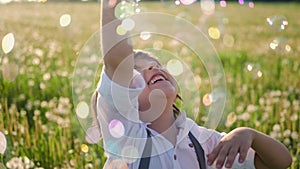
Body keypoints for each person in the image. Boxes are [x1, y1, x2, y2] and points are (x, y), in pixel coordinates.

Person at [91, 0, 293, 168]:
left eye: (156, 65)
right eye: (137, 73)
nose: (152, 69)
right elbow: (117, 61)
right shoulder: (129, 138)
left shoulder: (203, 142)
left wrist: (249, 134)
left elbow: (280, 163)